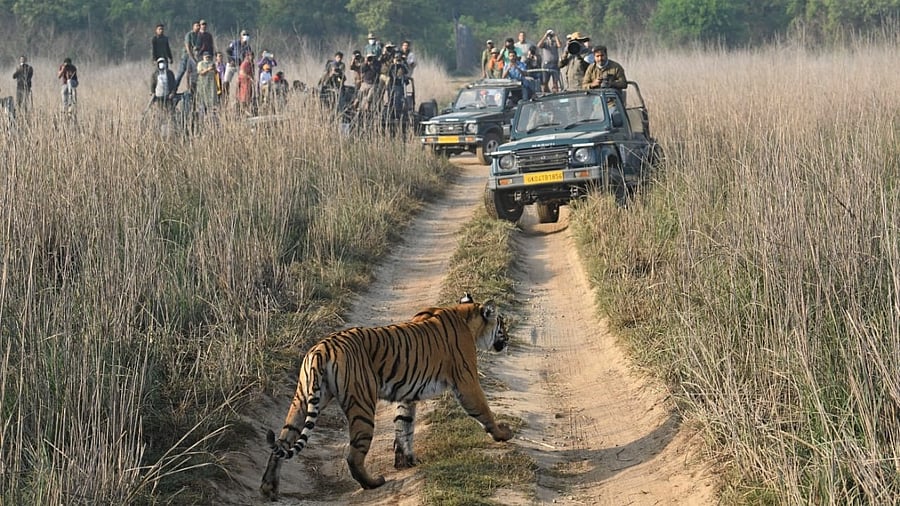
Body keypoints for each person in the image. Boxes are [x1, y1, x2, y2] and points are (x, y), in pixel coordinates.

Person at [176, 20, 200, 90]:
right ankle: (174, 89)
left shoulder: (199, 36)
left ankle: (192, 90)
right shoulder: (189, 35)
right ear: (193, 26)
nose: (198, 27)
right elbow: (188, 47)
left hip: (195, 57)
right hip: (186, 56)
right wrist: (192, 58)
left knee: (193, 74)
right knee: (181, 72)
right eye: (196, 26)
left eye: (199, 26)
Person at [196, 51, 218, 116]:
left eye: (208, 57)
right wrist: (208, 69)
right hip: (203, 85)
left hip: (211, 85)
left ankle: (212, 116)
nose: (207, 58)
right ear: (203, 57)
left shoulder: (212, 63)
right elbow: (200, 73)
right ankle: (202, 115)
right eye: (206, 57)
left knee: (212, 100)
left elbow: (216, 73)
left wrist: (214, 69)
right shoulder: (201, 64)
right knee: (202, 101)